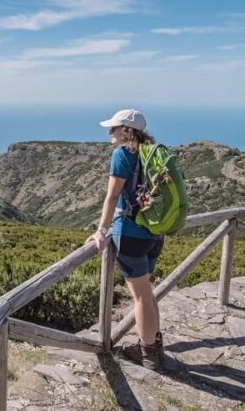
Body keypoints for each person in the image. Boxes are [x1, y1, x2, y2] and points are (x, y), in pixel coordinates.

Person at [85, 108, 165, 370]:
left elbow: (111, 196)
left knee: (140, 297)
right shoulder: (152, 152)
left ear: (127, 131)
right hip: (154, 233)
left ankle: (148, 353)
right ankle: (155, 342)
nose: (110, 132)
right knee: (146, 291)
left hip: (130, 234)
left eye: (114, 128)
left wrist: (101, 230)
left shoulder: (123, 153)